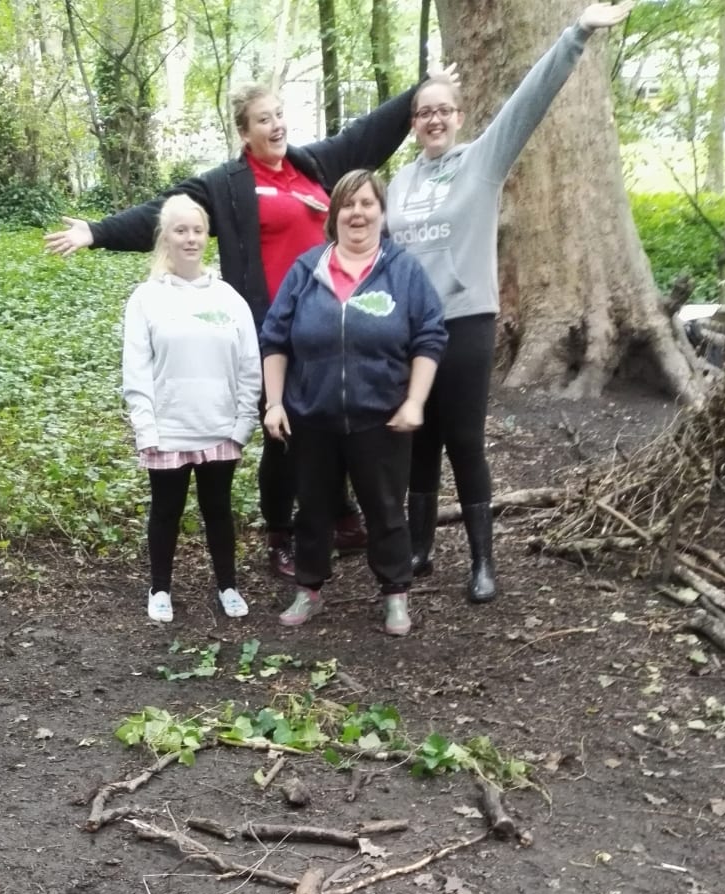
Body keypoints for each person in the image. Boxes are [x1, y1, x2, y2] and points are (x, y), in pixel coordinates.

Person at [46, 72, 454, 580]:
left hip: (331, 324)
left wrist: (421, 91)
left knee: (332, 419)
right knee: (284, 434)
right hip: (274, 328)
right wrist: (98, 231)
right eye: (264, 120)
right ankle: (280, 533)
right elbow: (166, 212)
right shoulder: (227, 185)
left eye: (279, 115)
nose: (276, 125)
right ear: (244, 132)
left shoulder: (311, 164)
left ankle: (340, 515)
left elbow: (366, 134)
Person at [386, 1, 634, 603]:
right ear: (413, 123)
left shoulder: (482, 161)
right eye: (424, 112)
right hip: (410, 330)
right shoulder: (399, 183)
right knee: (419, 442)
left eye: (443, 110)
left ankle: (482, 561)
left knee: (464, 441)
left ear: (459, 116)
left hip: (465, 321)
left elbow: (529, 101)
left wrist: (576, 34)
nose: (434, 119)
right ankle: (420, 548)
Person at [261, 170, 445, 638]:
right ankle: (309, 590)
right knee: (313, 508)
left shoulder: (403, 271)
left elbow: (429, 336)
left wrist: (415, 401)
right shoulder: (307, 270)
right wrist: (275, 403)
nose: (357, 213)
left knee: (386, 509)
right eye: (348, 204)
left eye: (367, 204)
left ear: (382, 213)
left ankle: (395, 594)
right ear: (334, 214)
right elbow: (275, 339)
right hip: (311, 416)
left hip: (381, 417)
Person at [121, 195, 261, 623]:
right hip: (168, 432)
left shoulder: (229, 298)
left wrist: (242, 424)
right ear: (165, 236)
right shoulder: (146, 299)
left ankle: (228, 586)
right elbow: (136, 370)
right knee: (166, 512)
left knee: (218, 511)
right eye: (180, 230)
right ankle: (160, 589)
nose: (190, 238)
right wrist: (147, 429)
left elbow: (250, 366)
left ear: (207, 236)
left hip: (219, 430)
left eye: (197, 230)